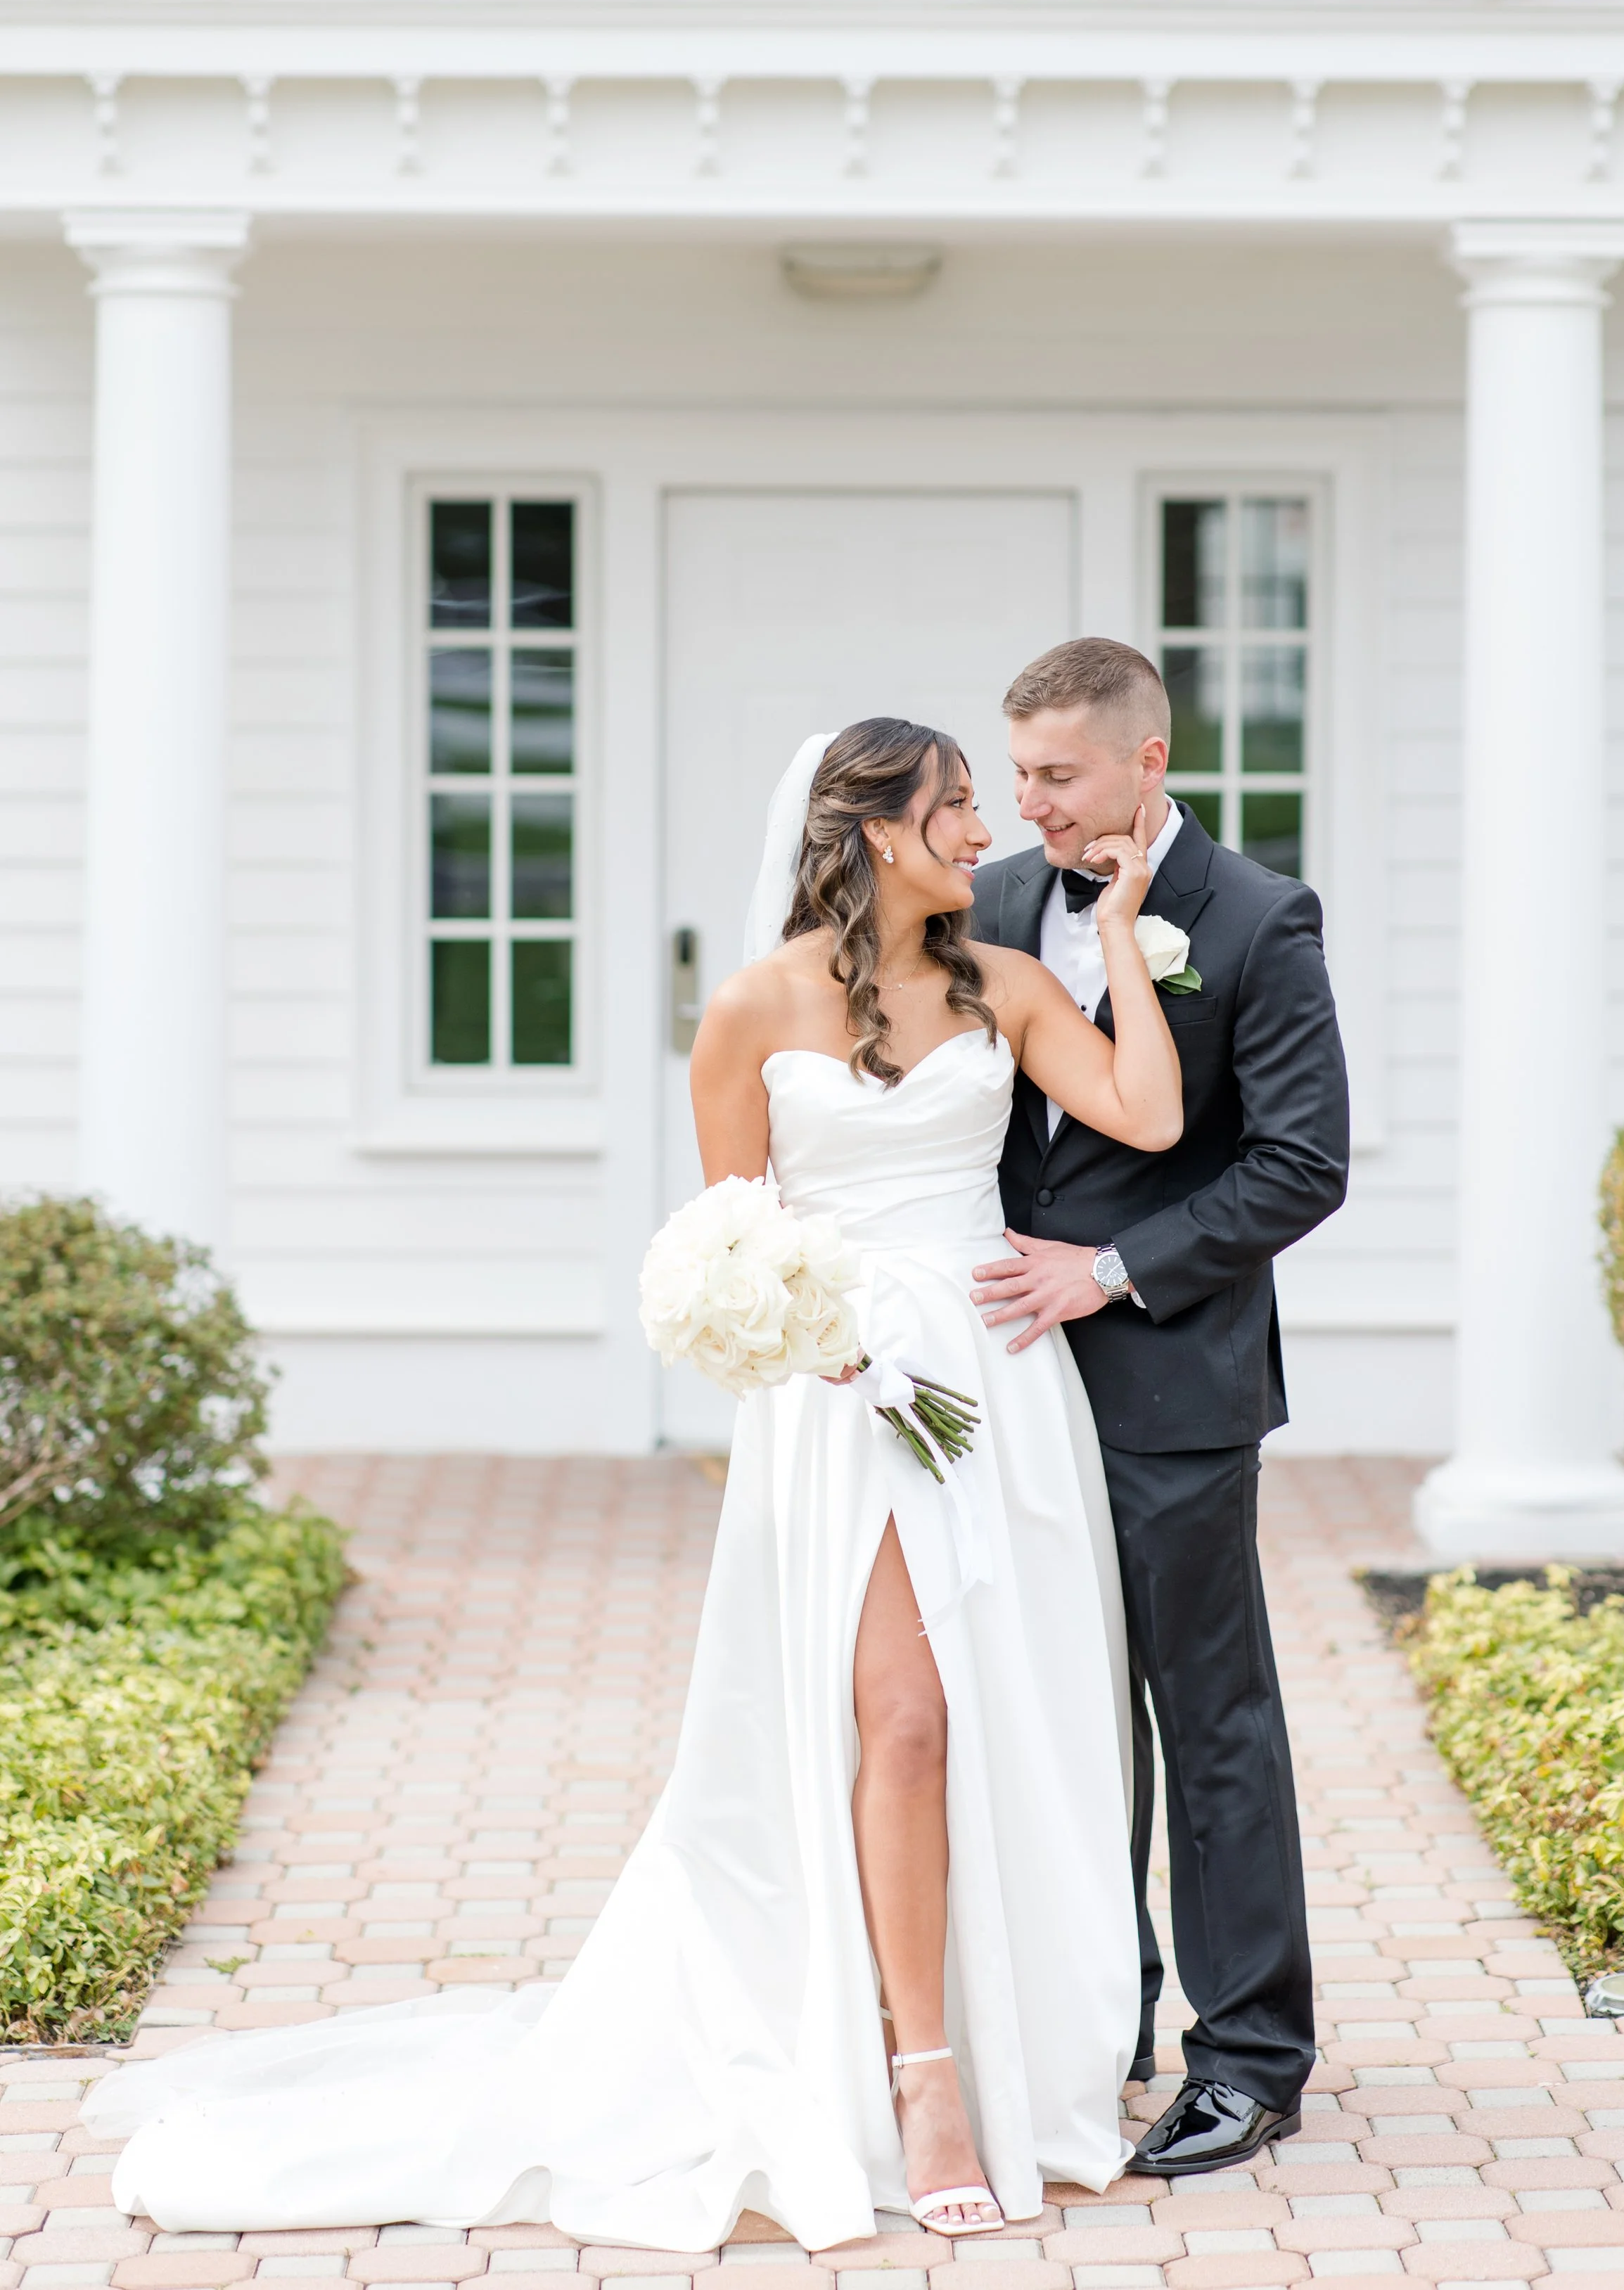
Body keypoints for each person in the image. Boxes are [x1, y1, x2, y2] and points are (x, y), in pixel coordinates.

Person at [89, 716, 1183, 2256]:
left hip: (995, 1384)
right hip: (847, 1399)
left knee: (1003, 1714)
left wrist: (1122, 933)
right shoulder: (749, 1009)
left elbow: (1149, 1112)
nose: (982, 832)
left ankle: (1003, 2046)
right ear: (877, 830)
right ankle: (920, 2076)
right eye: (953, 808)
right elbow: (732, 1236)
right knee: (903, 1719)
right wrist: (813, 1346)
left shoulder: (1002, 984)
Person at [969, 637, 1350, 2180]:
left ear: (1147, 760)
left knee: (1206, 1716)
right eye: (1017, 777)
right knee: (1056, 1709)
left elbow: (1300, 1165)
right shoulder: (990, 902)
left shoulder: (1256, 918)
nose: (1031, 807)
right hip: (1003, 1381)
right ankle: (1096, 2016)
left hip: (1171, 1384)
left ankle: (1249, 2057)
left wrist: (1112, 1271)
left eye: (1057, 776)